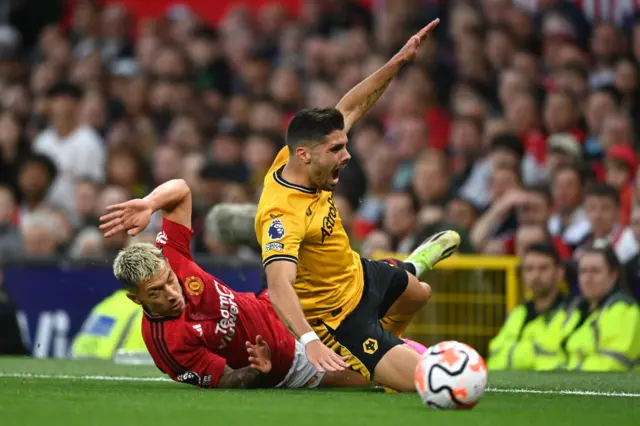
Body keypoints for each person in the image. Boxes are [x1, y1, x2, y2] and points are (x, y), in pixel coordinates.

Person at [254, 19, 462, 392]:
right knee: (430, 382)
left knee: (419, 294)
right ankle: (383, 360)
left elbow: (351, 105)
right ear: (305, 154)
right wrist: (309, 340)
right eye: (337, 149)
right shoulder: (281, 214)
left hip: (357, 274)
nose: (347, 156)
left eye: (344, 144)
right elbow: (278, 283)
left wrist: (398, 61)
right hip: (338, 320)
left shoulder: (298, 156)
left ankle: (405, 276)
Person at [99, 179, 368, 389]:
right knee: (372, 376)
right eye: (156, 292)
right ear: (137, 299)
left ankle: (405, 269)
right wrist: (256, 370)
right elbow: (226, 380)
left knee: (351, 287)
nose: (172, 293)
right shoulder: (168, 346)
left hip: (277, 305)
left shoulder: (171, 255)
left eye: (169, 280)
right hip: (288, 361)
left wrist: (149, 203)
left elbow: (181, 190)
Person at [535, 245, 640, 372]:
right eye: (583, 271)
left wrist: (565, 372)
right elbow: (542, 351)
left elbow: (613, 363)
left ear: (613, 275)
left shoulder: (624, 310)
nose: (587, 278)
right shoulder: (572, 309)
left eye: (595, 271)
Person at [487, 243, 568, 370]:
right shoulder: (518, 313)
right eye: (529, 269)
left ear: (559, 272)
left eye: (543, 268)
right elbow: (495, 353)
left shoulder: (572, 313)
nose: (535, 275)